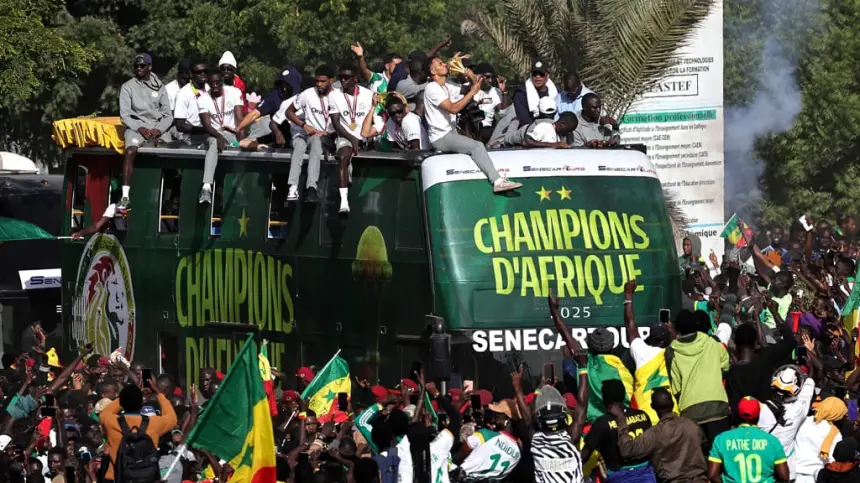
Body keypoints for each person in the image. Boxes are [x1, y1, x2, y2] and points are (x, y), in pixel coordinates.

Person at [423, 55, 521, 193]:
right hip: (441, 137)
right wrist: (472, 92)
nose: (445, 64)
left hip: (450, 133)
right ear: (433, 72)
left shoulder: (447, 85)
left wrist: (469, 75)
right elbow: (453, 108)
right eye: (440, 64)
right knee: (477, 146)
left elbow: (475, 84)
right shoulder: (432, 88)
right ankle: (497, 181)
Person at [616, 387, 709, 483]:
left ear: (652, 406)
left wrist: (622, 424)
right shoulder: (692, 424)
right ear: (673, 403)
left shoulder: (655, 433)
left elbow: (627, 450)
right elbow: (706, 450)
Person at [118, 53, 173, 212]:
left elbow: (168, 115)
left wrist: (159, 129)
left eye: (142, 66)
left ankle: (167, 198)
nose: (138, 69)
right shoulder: (127, 87)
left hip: (157, 126)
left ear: (150, 67)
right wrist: (140, 128)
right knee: (130, 151)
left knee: (168, 153)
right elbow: (125, 116)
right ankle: (125, 196)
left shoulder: (160, 86)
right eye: (136, 66)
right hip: (136, 125)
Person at [668, 309, 730, 451]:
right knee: (722, 454)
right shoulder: (711, 342)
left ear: (678, 329)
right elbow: (726, 366)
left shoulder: (672, 351)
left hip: (690, 411)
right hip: (718, 406)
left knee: (698, 458)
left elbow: (676, 388)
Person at [99, 376, 178, 482]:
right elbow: (172, 418)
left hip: (118, 479)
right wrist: (158, 392)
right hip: (147, 479)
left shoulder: (109, 420)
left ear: (122, 403)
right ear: (142, 404)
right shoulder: (154, 423)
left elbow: (106, 411)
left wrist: (128, 393)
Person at [623, 279, 676, 424]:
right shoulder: (674, 353)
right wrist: (672, 332)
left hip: (644, 415)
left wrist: (628, 296)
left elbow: (630, 324)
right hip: (671, 415)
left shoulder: (641, 351)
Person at [584, 379, 656, 483]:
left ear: (605, 399)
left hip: (619, 477)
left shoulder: (602, 423)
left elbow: (585, 455)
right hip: (646, 475)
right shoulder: (643, 416)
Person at [707, 397, 790, 483]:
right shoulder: (772, 441)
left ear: (738, 414)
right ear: (759, 415)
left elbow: (712, 475)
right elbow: (784, 477)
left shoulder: (721, 439)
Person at [285, 65, 336, 204]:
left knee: (316, 143)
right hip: (310, 134)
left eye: (323, 81)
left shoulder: (338, 96)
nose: (319, 84)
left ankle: (311, 187)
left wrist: (330, 132)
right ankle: (293, 186)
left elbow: (343, 120)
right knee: (300, 144)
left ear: (331, 80)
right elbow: (288, 112)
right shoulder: (307, 94)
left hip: (328, 138)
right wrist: (304, 125)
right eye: (317, 81)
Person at [329, 65, 374, 214]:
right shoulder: (334, 95)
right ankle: (344, 202)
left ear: (355, 79)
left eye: (346, 77)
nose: (342, 80)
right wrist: (352, 139)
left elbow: (375, 118)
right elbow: (335, 123)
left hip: (365, 135)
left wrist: (366, 136)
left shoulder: (368, 94)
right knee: (343, 156)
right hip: (345, 135)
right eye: (340, 77)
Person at [758, 367, 816, 480]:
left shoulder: (760, 410)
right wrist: (808, 376)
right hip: (787, 470)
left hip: (764, 466)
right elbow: (806, 394)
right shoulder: (798, 411)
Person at [196, 72, 244, 204]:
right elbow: (206, 125)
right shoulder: (202, 99)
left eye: (218, 82)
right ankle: (206, 187)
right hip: (212, 133)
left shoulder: (234, 93)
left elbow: (240, 120)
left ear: (222, 81)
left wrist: (241, 142)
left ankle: (239, 188)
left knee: (239, 147)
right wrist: (218, 136)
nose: (215, 85)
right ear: (208, 84)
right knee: (213, 143)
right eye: (212, 83)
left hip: (230, 133)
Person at [227, 67, 301, 148]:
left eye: (288, 84)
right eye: (282, 84)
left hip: (299, 136)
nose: (284, 88)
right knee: (247, 143)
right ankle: (233, 145)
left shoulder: (303, 96)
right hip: (278, 137)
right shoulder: (273, 96)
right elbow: (254, 114)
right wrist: (238, 128)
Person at [794, 397, 847, 483]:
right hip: (812, 476)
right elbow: (832, 458)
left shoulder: (805, 420)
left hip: (791, 470)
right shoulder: (835, 433)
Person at [361, 94, 429, 151]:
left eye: (399, 111)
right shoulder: (390, 121)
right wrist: (373, 106)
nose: (397, 115)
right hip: (406, 156)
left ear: (405, 108)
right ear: (388, 112)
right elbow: (394, 148)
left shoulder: (409, 120)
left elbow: (416, 150)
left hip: (422, 155)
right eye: (392, 113)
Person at [512, 61, 559, 125]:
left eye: (541, 74)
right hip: (530, 130)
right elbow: (524, 120)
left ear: (547, 76)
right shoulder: (521, 94)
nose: (537, 77)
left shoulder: (556, 93)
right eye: (535, 73)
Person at [472, 63, 507, 143]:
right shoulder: (468, 89)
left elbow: (503, 111)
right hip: (472, 130)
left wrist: (504, 92)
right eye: (487, 77)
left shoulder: (495, 91)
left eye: (492, 77)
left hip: (488, 130)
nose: (490, 80)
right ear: (478, 77)